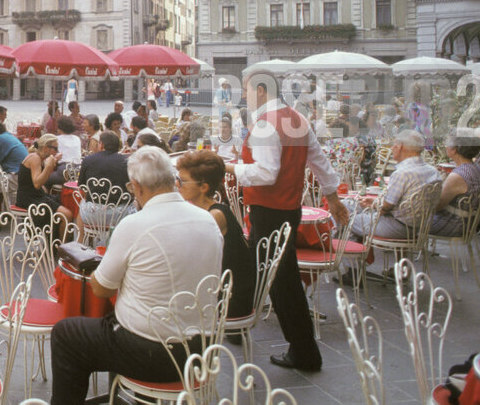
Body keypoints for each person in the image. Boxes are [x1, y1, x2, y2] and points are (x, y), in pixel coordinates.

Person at [49, 146, 223, 405]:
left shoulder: (134, 224)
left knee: (66, 333)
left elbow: (101, 289)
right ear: (172, 180)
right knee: (115, 322)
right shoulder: (209, 220)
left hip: (152, 353)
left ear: (137, 186)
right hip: (203, 349)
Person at [223, 71, 347, 373]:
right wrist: (332, 196)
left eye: (248, 91)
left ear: (262, 90)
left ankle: (304, 351)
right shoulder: (297, 119)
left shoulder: (266, 124)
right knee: (263, 270)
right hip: (288, 209)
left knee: (281, 281)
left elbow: (266, 173)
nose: (245, 97)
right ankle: (239, 325)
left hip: (270, 209)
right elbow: (319, 161)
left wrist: (228, 167)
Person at [175, 149, 255, 320]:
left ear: (203, 187)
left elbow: (188, 256)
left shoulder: (214, 216)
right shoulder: (207, 209)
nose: (177, 185)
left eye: (182, 181)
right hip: (220, 287)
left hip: (230, 299)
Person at [348, 129, 440, 241]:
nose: (392, 148)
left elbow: (386, 207)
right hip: (420, 227)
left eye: (394, 145)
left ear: (400, 146)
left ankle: (352, 254)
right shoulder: (433, 172)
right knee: (360, 214)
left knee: (349, 219)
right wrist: (374, 202)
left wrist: (374, 206)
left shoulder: (403, 173)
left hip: (398, 227)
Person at [429, 129, 480, 237]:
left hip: (453, 225)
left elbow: (437, 205)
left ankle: (403, 250)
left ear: (454, 149)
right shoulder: (477, 168)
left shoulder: (458, 175)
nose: (445, 147)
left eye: (447, 144)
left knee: (408, 220)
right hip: (468, 224)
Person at [17, 134, 74, 228]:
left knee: (64, 202)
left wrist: (53, 162)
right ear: (46, 148)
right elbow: (37, 184)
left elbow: (43, 181)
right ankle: (60, 242)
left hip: (34, 196)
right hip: (29, 199)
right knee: (67, 215)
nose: (57, 151)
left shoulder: (39, 158)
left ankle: (54, 240)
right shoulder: (35, 158)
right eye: (55, 149)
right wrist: (49, 166)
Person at [76, 131, 132, 227]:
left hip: (92, 215)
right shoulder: (126, 161)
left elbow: (82, 187)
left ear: (101, 145)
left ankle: (80, 239)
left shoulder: (88, 160)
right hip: (121, 215)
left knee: (83, 202)